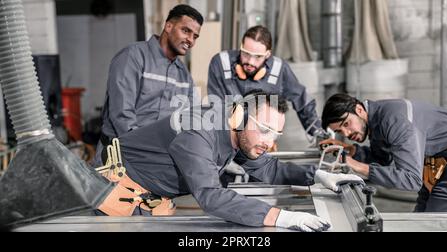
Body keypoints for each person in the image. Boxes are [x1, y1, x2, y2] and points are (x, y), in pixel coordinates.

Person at [102, 91, 363, 231]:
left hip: (152, 200)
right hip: (119, 197)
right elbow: (211, 197)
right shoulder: (198, 129)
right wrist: (281, 217)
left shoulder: (236, 135)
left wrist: (318, 176)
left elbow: (269, 167)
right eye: (264, 129)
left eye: (275, 134)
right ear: (238, 116)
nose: (269, 141)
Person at [94, 4, 203, 165]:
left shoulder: (184, 75)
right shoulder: (133, 56)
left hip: (154, 160)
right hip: (117, 156)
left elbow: (191, 119)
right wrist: (144, 151)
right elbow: (122, 114)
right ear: (168, 26)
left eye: (195, 36)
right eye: (186, 31)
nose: (190, 40)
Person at [320, 94, 447, 212]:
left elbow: (412, 180)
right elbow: (382, 159)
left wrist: (356, 165)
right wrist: (351, 150)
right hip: (438, 161)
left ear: (359, 109)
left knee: (434, 217)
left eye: (347, 124)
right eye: (340, 132)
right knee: (420, 217)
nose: (346, 134)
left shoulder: (395, 120)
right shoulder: (376, 119)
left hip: (441, 162)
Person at [207, 25, 325, 141]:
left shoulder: (279, 69)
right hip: (228, 139)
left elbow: (302, 100)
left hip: (262, 142)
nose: (250, 62)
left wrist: (317, 132)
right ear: (240, 47)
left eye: (258, 57)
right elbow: (217, 106)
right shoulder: (221, 63)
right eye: (246, 54)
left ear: (268, 54)